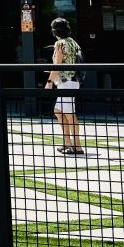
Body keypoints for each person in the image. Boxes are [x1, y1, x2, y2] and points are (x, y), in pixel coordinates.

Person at [44, 18, 83, 155]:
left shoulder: (59, 44)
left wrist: (49, 82)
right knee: (59, 111)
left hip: (66, 82)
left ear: (55, 31)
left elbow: (57, 64)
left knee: (69, 114)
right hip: (72, 80)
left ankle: (77, 146)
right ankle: (67, 143)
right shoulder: (72, 41)